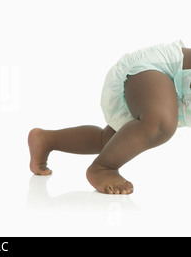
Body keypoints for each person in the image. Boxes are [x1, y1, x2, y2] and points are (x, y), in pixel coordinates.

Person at [28, 40, 191, 194]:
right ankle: (103, 168)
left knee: (112, 143)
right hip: (156, 71)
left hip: (167, 99)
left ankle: (46, 139)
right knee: (160, 124)